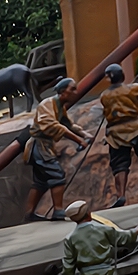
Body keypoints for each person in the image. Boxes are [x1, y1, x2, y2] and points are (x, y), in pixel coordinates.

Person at [98, 64, 138, 205]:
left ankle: (120, 195)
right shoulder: (131, 89)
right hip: (135, 128)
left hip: (115, 134)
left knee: (120, 165)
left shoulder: (104, 96)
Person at [26, 77, 87, 222]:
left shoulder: (60, 107)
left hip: (45, 146)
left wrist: (85, 134)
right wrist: (78, 140)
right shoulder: (47, 104)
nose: (75, 92)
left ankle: (29, 213)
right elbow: (54, 126)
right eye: (72, 89)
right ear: (62, 92)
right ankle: (58, 210)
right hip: (39, 146)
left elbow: (69, 124)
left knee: (40, 181)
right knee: (57, 175)